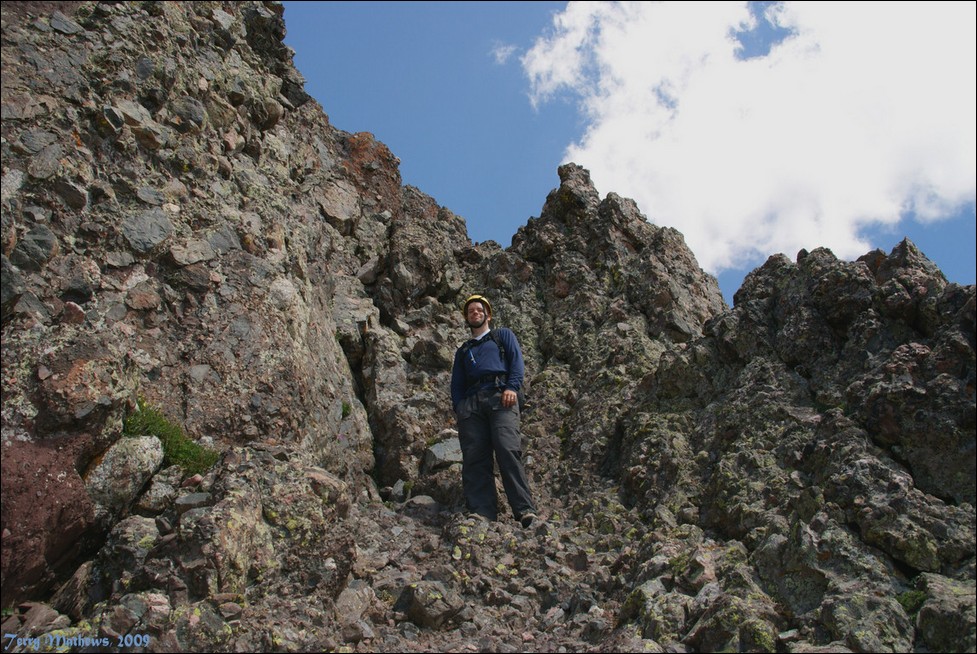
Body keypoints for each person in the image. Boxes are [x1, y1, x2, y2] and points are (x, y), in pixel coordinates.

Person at [451, 294, 538, 528]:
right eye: (470, 311)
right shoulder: (463, 350)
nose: (475, 313)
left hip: (501, 397)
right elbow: (457, 383)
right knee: (474, 456)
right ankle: (482, 512)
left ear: (487, 314)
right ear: (467, 319)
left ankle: (524, 510)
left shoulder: (503, 336)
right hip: (471, 405)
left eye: (479, 310)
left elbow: (516, 363)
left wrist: (512, 387)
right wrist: (459, 407)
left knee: (507, 448)